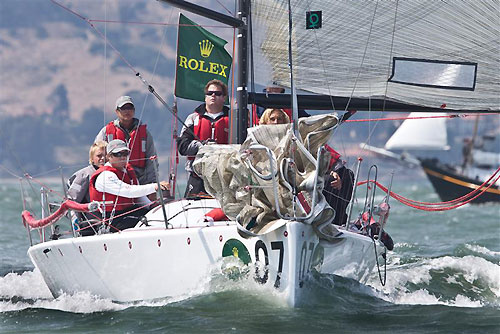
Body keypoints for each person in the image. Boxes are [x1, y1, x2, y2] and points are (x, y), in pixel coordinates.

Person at [260, 108, 354, 226]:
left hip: (298, 177)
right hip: (274, 183)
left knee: (341, 176)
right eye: (272, 119)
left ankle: (334, 222)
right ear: (265, 121)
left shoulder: (294, 138)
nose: (276, 122)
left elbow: (309, 159)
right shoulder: (258, 141)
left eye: (279, 119)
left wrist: (331, 172)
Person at [89, 139, 169, 232]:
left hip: (128, 212)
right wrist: (155, 187)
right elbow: (129, 191)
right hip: (112, 220)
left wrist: (152, 206)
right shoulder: (105, 176)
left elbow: (139, 196)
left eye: (125, 153)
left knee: (159, 216)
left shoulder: (127, 171)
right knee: (149, 222)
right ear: (109, 156)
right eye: (118, 154)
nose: (122, 157)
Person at [177, 79, 230, 198]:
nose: (213, 96)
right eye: (210, 93)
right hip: (197, 177)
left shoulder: (233, 119)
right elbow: (182, 146)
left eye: (217, 93)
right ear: (205, 97)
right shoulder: (193, 118)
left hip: (225, 175)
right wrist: (201, 146)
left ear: (224, 98)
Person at [95, 95, 158, 186]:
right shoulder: (106, 132)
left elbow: (152, 159)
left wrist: (152, 184)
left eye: (130, 108)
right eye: (123, 108)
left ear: (134, 110)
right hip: (114, 178)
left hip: (140, 179)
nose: (127, 111)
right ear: (117, 111)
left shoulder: (144, 133)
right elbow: (96, 154)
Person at [67, 141, 107, 235]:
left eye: (105, 155)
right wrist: (75, 219)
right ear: (92, 159)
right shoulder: (84, 175)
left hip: (112, 221)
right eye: (99, 156)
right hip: (92, 225)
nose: (103, 158)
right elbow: (70, 201)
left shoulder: (115, 172)